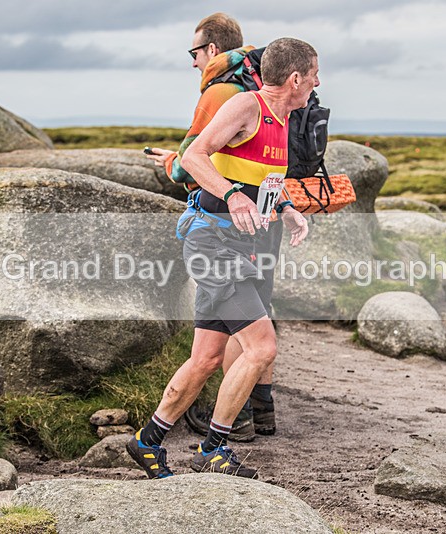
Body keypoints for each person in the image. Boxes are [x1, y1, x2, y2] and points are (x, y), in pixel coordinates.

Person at [127, 37, 319, 478]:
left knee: (207, 357)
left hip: (237, 246)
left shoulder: (284, 119)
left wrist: (287, 210)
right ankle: (214, 448)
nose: (317, 82)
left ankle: (148, 442)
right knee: (261, 346)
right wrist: (231, 197)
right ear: (295, 79)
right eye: (313, 74)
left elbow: (260, 179)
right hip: (213, 242)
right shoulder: (246, 106)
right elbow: (192, 157)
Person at [146, 13, 277, 442]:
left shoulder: (220, 90)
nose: (193, 62)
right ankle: (259, 414)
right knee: (247, 325)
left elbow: (189, 165)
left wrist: (171, 160)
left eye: (195, 52)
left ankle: (226, 429)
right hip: (261, 220)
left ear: (213, 50)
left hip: (223, 224)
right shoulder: (262, 88)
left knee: (247, 333)